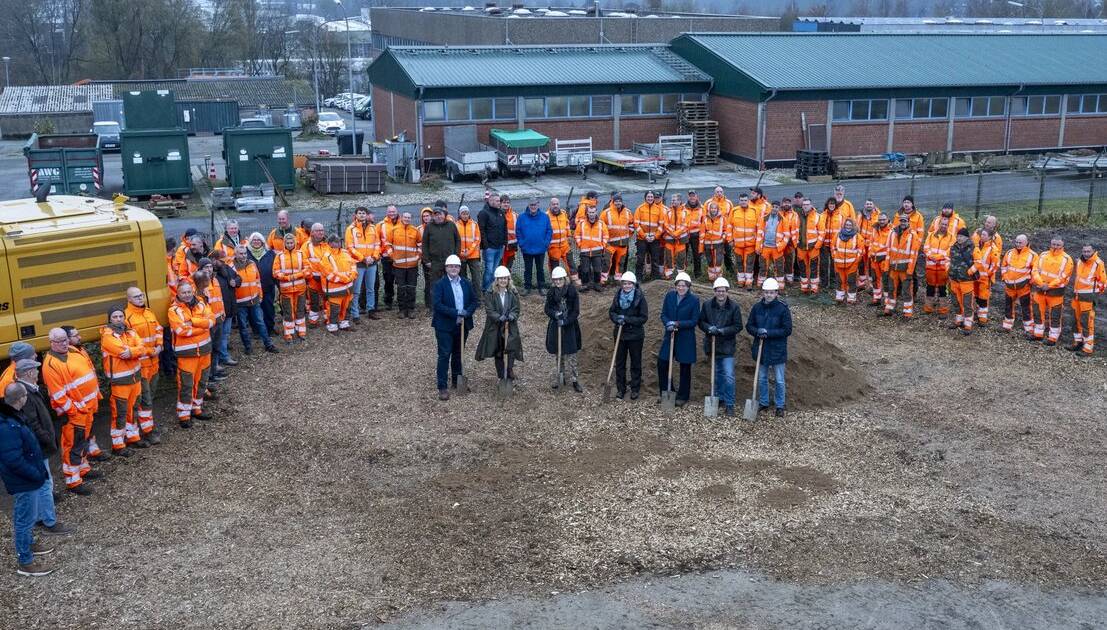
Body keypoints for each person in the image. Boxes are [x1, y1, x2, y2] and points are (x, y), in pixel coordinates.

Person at [2, 383, 57, 576]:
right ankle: (25, 562)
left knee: (27, 516)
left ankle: (29, 543)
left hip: (27, 479)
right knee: (24, 519)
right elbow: (12, 459)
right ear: (21, 398)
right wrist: (35, 474)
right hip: (25, 481)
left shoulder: (13, 417)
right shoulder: (7, 424)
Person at [13, 360, 70, 536]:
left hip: (33, 447)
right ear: (29, 373)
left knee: (39, 483)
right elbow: (33, 422)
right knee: (45, 484)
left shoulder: (25, 391)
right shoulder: (27, 393)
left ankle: (39, 517)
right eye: (36, 370)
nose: (38, 373)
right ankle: (49, 521)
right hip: (37, 447)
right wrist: (48, 439)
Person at [42, 328, 99, 494]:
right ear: (51, 342)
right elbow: (59, 395)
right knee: (72, 446)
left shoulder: (73, 351)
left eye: (65, 339)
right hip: (76, 413)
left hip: (87, 408)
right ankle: (73, 482)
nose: (64, 343)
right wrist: (74, 411)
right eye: (59, 341)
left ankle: (83, 470)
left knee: (82, 442)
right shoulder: (51, 365)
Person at [100, 306, 151, 455]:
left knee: (133, 409)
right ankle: (118, 446)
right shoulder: (107, 336)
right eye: (115, 317)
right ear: (110, 319)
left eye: (120, 316)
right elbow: (123, 352)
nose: (118, 319)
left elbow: (142, 348)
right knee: (120, 413)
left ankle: (133, 437)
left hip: (134, 378)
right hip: (120, 382)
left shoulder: (131, 331)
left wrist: (132, 351)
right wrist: (133, 350)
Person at [431, 255, 480, 400]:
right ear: (446, 268)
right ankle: (442, 386)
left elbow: (473, 301)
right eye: (451, 266)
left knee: (459, 353)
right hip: (444, 326)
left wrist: (467, 312)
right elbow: (438, 305)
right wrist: (456, 312)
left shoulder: (466, 283)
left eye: (456, 266)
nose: (454, 269)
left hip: (462, 325)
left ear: (460, 268)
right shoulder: (440, 284)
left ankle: (456, 380)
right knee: (445, 354)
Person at [168, 282, 216, 428]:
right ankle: (184, 415)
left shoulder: (201, 303)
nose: (187, 295)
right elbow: (181, 331)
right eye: (184, 293)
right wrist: (202, 327)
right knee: (186, 385)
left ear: (193, 291)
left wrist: (193, 322)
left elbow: (212, 321)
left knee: (201, 382)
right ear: (178, 294)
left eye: (189, 292)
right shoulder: (174, 310)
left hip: (204, 351)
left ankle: (197, 408)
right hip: (187, 355)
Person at [746, 278, 792, 418]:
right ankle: (764, 402)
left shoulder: (783, 309)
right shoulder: (757, 308)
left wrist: (768, 333)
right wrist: (757, 331)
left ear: (776, 293)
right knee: (762, 378)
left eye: (771, 292)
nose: (769, 295)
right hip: (761, 348)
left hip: (777, 349)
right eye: (766, 292)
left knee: (779, 379)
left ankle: (780, 405)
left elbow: (787, 330)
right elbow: (749, 326)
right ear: (763, 293)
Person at [697, 277, 743, 416]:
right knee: (717, 375)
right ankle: (718, 399)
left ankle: (729, 404)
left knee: (728, 375)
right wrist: (708, 328)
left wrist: (723, 331)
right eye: (718, 291)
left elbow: (738, 326)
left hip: (727, 346)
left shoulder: (734, 307)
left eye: (723, 291)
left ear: (727, 291)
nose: (721, 293)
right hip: (712, 345)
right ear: (714, 291)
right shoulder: (707, 305)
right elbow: (701, 322)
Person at [124, 287, 163, 444]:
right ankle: (148, 432)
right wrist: (150, 350)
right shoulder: (127, 317)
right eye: (136, 296)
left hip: (154, 363)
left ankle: (144, 426)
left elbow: (159, 329)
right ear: (129, 299)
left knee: (150, 397)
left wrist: (159, 345)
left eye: (141, 295)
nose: (140, 298)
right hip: (141, 365)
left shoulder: (149, 312)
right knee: (145, 399)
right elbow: (129, 343)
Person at [61, 326, 105, 461]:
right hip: (81, 403)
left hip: (89, 400)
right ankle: (82, 460)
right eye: (75, 335)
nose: (79, 337)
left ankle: (92, 450)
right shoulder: (68, 357)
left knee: (89, 427)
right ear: (66, 340)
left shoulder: (79, 350)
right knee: (79, 434)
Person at [657, 271, 700, 407]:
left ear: (688, 287)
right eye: (679, 285)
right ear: (675, 286)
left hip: (685, 337)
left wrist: (678, 324)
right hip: (669, 335)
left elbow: (694, 320)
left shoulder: (694, 300)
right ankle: (667, 392)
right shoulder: (669, 296)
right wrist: (667, 323)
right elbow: (663, 314)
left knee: (685, 367)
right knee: (662, 363)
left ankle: (682, 396)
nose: (681, 288)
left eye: (684, 285)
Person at [475, 266, 523, 382]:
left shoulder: (512, 292)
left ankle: (509, 369)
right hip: (495, 327)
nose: (503, 281)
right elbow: (489, 310)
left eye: (505, 278)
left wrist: (511, 316)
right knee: (499, 351)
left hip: (510, 326)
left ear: (508, 279)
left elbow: (516, 308)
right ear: (496, 280)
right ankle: (501, 375)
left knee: (510, 349)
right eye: (500, 278)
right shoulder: (490, 293)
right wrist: (499, 317)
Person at [608, 271, 648, 400]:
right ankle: (621, 388)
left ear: (634, 284)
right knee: (620, 362)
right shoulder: (618, 295)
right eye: (624, 283)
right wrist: (616, 319)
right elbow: (612, 311)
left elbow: (643, 318)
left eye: (629, 284)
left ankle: (635, 389)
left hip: (635, 335)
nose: (626, 286)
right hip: (620, 334)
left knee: (635, 362)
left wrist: (626, 319)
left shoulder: (639, 297)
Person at [1030, 236, 1074, 345]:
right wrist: (1041, 283)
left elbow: (1064, 276)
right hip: (1040, 289)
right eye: (1053, 244)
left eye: (1058, 245)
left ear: (1063, 245)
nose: (1055, 246)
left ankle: (1053, 338)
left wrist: (1049, 285)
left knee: (1055, 315)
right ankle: (1038, 334)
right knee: (1037, 311)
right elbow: (1035, 270)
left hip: (1056, 292)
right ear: (1050, 244)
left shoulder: (1067, 259)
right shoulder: (1043, 255)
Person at [234, 246, 279, 354]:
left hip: (254, 300)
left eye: (245, 253)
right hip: (240, 302)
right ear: (235, 254)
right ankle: (248, 347)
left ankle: (268, 344)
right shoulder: (232, 267)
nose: (243, 255)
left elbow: (257, 280)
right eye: (240, 254)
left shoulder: (252, 264)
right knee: (243, 326)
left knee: (260, 322)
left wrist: (260, 295)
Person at [544, 266, 582, 392]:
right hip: (556, 325)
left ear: (564, 279)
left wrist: (566, 321)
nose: (558, 282)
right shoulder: (551, 292)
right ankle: (561, 377)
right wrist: (555, 315)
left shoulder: (572, 291)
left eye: (560, 279)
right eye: (555, 280)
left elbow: (576, 311)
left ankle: (575, 380)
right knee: (558, 353)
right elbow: (547, 308)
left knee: (571, 353)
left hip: (569, 325)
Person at [345, 207, 381, 322]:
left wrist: (374, 257)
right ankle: (355, 314)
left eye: (363, 213)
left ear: (366, 215)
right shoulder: (350, 229)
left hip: (372, 263)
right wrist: (363, 258)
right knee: (356, 290)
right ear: (355, 215)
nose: (361, 215)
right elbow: (350, 247)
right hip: (358, 264)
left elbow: (377, 244)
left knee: (371, 288)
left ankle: (371, 310)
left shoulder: (373, 228)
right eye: (359, 213)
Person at [1069, 243, 1106, 355]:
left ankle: (1088, 348)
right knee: (1075, 320)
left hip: (1088, 298)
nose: (1086, 254)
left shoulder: (1098, 263)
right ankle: (1078, 342)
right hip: (1076, 296)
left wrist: (1093, 294)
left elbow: (1103, 283)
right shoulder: (1079, 261)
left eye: (1088, 251)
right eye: (1084, 251)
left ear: (1093, 251)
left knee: (1087, 322)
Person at [273, 233, 309, 343]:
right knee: (288, 311)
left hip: (300, 288)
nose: (289, 244)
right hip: (286, 290)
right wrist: (285, 277)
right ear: (284, 243)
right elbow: (275, 272)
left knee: (300, 310)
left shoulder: (301, 254)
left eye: (291, 242)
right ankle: (288, 333)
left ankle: (301, 331)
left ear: (295, 243)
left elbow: (307, 269)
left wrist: (296, 276)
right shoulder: (279, 256)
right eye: (287, 243)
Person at [207, 251, 239, 372]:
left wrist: (235, 282)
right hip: (217, 313)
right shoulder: (212, 276)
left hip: (228, 308)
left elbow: (238, 277)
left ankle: (222, 357)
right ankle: (218, 360)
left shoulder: (226, 268)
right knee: (217, 338)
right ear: (214, 260)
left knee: (225, 334)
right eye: (221, 260)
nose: (223, 262)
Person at [422, 204, 461, 303]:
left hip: (450, 262)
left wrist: (455, 256)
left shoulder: (451, 225)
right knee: (435, 285)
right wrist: (426, 260)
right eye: (436, 215)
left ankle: (450, 304)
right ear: (433, 216)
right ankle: (435, 307)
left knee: (450, 283)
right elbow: (425, 244)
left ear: (444, 215)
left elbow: (458, 240)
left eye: (440, 214)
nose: (438, 216)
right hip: (435, 262)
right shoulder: (429, 227)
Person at [1000, 234, 1037, 334]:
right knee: (1008, 306)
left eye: (1020, 242)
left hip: (1023, 286)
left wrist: (1030, 282)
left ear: (1026, 242)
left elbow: (1036, 271)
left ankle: (1029, 328)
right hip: (1010, 286)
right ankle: (1007, 326)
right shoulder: (1009, 253)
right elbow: (1003, 266)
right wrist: (1005, 278)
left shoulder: (1032, 255)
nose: (1018, 244)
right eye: (1016, 242)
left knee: (1026, 307)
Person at [320, 234, 358, 333]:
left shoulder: (346, 253)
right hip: (334, 290)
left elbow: (353, 265)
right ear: (330, 243)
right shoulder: (326, 257)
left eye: (339, 241)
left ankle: (344, 324)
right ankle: (332, 326)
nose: (339, 243)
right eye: (336, 241)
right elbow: (330, 275)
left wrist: (352, 275)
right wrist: (347, 278)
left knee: (346, 307)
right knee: (334, 309)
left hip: (348, 288)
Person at [516, 197, 553, 295]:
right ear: (528, 205)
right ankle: (527, 287)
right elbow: (518, 231)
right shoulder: (521, 217)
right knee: (527, 269)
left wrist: (545, 243)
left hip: (540, 248)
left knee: (540, 269)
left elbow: (549, 231)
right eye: (531, 205)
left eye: (535, 204)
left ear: (538, 204)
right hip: (527, 248)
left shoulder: (545, 217)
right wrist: (522, 243)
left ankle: (542, 287)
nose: (533, 207)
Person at [391, 212, 422, 319]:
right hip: (398, 265)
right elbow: (388, 244)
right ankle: (402, 310)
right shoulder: (394, 230)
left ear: (411, 219)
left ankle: (411, 309)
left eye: (409, 217)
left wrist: (417, 257)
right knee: (401, 288)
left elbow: (420, 245)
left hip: (412, 266)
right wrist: (392, 255)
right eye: (405, 217)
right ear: (401, 218)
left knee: (411, 288)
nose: (407, 219)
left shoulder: (415, 230)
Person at [947, 228, 979, 335]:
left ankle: (968, 324)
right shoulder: (953, 247)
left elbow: (979, 263)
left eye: (961, 236)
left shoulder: (973, 248)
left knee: (967, 303)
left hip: (966, 281)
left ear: (966, 237)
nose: (959, 238)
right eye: (958, 236)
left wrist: (969, 272)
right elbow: (947, 259)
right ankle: (959, 320)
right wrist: (948, 269)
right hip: (954, 280)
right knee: (956, 302)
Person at [300, 223, 331, 328]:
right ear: (312, 232)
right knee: (314, 302)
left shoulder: (328, 244)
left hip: (326, 279)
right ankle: (313, 321)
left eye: (322, 230)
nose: (321, 232)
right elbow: (303, 263)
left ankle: (328, 319)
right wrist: (309, 276)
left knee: (328, 300)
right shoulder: (306, 246)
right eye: (318, 230)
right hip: (313, 279)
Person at [757, 201, 793, 289]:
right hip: (765, 247)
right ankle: (761, 284)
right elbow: (759, 233)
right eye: (773, 206)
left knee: (779, 267)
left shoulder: (783, 219)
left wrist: (781, 246)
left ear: (779, 208)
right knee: (763, 267)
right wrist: (758, 246)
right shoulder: (764, 218)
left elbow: (787, 235)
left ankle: (780, 286)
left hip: (777, 248)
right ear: (771, 207)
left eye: (776, 207)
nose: (774, 208)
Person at [246, 232, 278, 335]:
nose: (256, 242)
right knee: (254, 311)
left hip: (268, 286)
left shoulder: (270, 253)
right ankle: (256, 330)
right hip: (252, 288)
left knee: (269, 308)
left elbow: (275, 267)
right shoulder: (246, 254)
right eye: (254, 240)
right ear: (250, 242)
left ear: (262, 241)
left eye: (258, 240)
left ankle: (270, 328)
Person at [923, 216, 954, 318]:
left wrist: (938, 257)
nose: (944, 226)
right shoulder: (931, 235)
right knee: (930, 288)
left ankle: (943, 310)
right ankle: (928, 308)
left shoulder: (951, 237)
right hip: (930, 267)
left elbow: (950, 251)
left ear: (948, 226)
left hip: (943, 268)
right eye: (942, 224)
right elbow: (926, 248)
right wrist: (931, 256)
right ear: (939, 224)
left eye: (946, 224)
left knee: (943, 289)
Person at [601, 193, 634, 285]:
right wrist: (605, 239)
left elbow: (632, 225)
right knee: (607, 262)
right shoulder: (606, 213)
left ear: (622, 202)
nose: (618, 203)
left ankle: (618, 279)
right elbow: (601, 226)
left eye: (619, 201)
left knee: (621, 262)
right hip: (610, 243)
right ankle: (603, 280)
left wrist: (628, 235)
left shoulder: (628, 212)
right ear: (612, 202)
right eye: (616, 201)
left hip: (623, 244)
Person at [477, 193, 508, 291]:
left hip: (499, 246)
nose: (500, 203)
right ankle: (486, 289)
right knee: (489, 270)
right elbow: (481, 230)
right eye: (498, 201)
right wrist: (485, 246)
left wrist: (504, 243)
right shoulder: (483, 213)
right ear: (491, 201)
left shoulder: (501, 212)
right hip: (489, 247)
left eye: (500, 201)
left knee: (495, 270)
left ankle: (493, 289)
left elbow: (504, 228)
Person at [729, 192, 760, 289]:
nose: (743, 202)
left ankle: (749, 282)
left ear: (748, 201)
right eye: (741, 200)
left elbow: (759, 228)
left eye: (745, 200)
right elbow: (729, 226)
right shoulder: (734, 211)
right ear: (739, 201)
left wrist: (758, 244)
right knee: (739, 263)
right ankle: (740, 281)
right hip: (737, 244)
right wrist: (730, 240)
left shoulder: (755, 211)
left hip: (750, 244)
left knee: (749, 264)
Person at [575, 203, 609, 292]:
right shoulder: (581, 223)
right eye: (590, 212)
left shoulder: (601, 223)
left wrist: (602, 246)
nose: (591, 214)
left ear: (596, 212)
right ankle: (586, 285)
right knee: (585, 270)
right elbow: (577, 235)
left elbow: (605, 236)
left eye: (593, 212)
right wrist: (580, 245)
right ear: (587, 213)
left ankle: (597, 284)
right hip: (585, 251)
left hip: (597, 251)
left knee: (597, 270)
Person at [795, 197, 825, 294]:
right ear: (802, 206)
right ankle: (804, 288)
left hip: (813, 247)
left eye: (807, 204)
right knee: (803, 267)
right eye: (804, 204)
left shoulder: (817, 216)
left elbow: (822, 233)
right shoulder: (797, 216)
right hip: (801, 247)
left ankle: (814, 288)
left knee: (814, 268)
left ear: (811, 205)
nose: (805, 206)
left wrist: (817, 246)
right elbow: (793, 230)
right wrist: (796, 242)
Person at [546, 197, 578, 287]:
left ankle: (575, 282)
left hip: (565, 245)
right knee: (554, 267)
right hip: (553, 247)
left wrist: (569, 236)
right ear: (550, 205)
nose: (555, 206)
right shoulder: (546, 216)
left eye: (557, 204)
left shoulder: (563, 213)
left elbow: (567, 225)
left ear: (559, 204)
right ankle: (556, 284)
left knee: (571, 264)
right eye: (553, 204)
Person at [971, 229, 1001, 325]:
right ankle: (976, 313)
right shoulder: (977, 246)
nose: (982, 236)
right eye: (981, 234)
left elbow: (995, 265)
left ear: (989, 237)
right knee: (975, 295)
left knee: (983, 298)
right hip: (975, 276)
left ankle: (982, 318)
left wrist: (987, 274)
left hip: (985, 278)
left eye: (984, 235)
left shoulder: (993, 249)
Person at [831, 217, 864, 305]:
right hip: (838, 263)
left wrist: (856, 260)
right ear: (844, 225)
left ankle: (851, 298)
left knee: (851, 281)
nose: (848, 226)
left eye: (850, 225)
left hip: (852, 263)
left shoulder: (857, 236)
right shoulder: (837, 235)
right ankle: (839, 297)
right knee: (840, 280)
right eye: (846, 224)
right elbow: (833, 247)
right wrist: (834, 256)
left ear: (853, 226)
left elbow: (860, 250)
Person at [634, 190, 665, 281]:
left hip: (654, 239)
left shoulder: (659, 209)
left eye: (652, 197)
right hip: (642, 239)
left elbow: (661, 225)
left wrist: (655, 236)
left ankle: (655, 278)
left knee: (655, 259)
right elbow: (636, 224)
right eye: (648, 197)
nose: (650, 198)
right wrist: (644, 236)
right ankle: (638, 278)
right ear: (645, 198)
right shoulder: (639, 208)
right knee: (640, 259)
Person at [377, 205, 402, 310]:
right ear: (387, 212)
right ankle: (388, 301)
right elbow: (377, 241)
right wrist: (380, 253)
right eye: (390, 211)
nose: (392, 213)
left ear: (397, 212)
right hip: (387, 257)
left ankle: (401, 301)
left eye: (393, 211)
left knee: (401, 280)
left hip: (400, 257)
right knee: (388, 280)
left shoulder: (402, 222)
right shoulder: (380, 225)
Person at [660, 192, 688, 280]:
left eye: (674, 200)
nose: (672, 201)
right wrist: (673, 233)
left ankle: (681, 276)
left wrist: (677, 233)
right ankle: (669, 275)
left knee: (681, 258)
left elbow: (686, 225)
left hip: (681, 240)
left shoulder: (685, 212)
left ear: (680, 201)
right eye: (672, 200)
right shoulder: (668, 212)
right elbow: (665, 224)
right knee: (669, 257)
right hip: (669, 239)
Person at [701, 201, 730, 281]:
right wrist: (701, 247)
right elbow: (702, 233)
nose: (713, 210)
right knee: (710, 260)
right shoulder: (705, 219)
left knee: (718, 261)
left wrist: (723, 238)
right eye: (712, 208)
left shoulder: (722, 218)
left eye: (715, 208)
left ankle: (719, 276)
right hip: (707, 244)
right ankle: (711, 276)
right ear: (709, 209)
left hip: (719, 243)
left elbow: (725, 230)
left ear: (717, 209)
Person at [867, 213, 892, 305]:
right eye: (880, 219)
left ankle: (887, 301)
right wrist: (870, 253)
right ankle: (876, 298)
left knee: (886, 280)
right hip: (874, 259)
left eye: (883, 219)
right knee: (875, 279)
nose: (881, 221)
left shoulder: (891, 231)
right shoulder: (874, 229)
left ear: (888, 219)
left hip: (885, 259)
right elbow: (871, 242)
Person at [455, 205, 483, 290]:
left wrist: (469, 252)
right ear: (460, 214)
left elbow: (477, 240)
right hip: (460, 256)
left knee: (476, 279)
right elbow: (455, 241)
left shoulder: (474, 225)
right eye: (463, 213)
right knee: (462, 278)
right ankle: (465, 297)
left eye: (466, 213)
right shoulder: (455, 225)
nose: (465, 215)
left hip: (473, 256)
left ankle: (478, 299)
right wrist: (461, 253)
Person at [684, 190, 704, 278]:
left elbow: (704, 223)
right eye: (690, 196)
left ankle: (698, 274)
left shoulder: (702, 208)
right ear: (688, 197)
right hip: (684, 235)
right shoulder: (683, 208)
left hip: (696, 235)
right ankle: (683, 274)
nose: (692, 198)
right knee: (683, 255)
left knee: (697, 255)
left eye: (693, 196)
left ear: (697, 197)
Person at [501, 195, 518, 269]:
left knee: (508, 269)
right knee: (500, 269)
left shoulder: (515, 215)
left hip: (511, 247)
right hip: (500, 247)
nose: (506, 204)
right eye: (504, 202)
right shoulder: (497, 214)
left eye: (508, 202)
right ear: (500, 203)